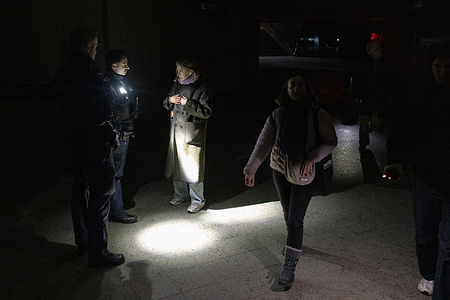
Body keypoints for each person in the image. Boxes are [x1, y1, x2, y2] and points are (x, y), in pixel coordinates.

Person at [243, 72, 337, 289]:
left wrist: (312, 157)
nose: (296, 89)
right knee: (287, 212)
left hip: (305, 171)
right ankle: (294, 242)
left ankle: (289, 267)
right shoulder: (277, 115)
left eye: (300, 85)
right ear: (286, 88)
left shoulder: (317, 114)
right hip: (279, 170)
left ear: (307, 89)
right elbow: (263, 144)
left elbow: (331, 141)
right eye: (292, 85)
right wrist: (251, 168)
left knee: (295, 218)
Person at [53, 26, 125, 267]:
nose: (96, 50)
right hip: (94, 143)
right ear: (87, 46)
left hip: (74, 141)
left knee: (79, 192)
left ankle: (82, 242)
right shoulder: (88, 74)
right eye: (94, 46)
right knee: (101, 195)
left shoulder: (62, 72)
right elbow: (102, 111)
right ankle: (99, 252)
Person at [384, 40, 450, 299]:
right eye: (438, 66)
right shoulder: (421, 97)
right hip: (425, 180)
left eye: (449, 66)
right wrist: (396, 160)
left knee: (448, 246)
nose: (443, 72)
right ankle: (431, 277)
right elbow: (403, 132)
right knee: (424, 236)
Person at [162, 58, 212, 213]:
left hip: (192, 133)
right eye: (177, 70)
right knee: (177, 164)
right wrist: (170, 100)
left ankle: (197, 200)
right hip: (176, 132)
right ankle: (180, 194)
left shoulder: (202, 87)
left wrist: (187, 103)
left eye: (181, 71)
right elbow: (166, 102)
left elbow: (206, 112)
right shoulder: (177, 84)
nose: (178, 74)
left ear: (191, 71)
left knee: (192, 166)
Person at [104, 49, 138, 224]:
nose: (128, 67)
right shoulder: (111, 86)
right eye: (124, 64)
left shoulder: (119, 83)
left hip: (122, 134)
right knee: (115, 174)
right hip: (118, 136)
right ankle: (116, 211)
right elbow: (114, 114)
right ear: (113, 66)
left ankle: (113, 209)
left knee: (115, 173)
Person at [352, 40, 392, 152]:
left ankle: (364, 139)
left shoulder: (383, 64)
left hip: (377, 99)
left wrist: (387, 95)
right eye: (377, 49)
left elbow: (388, 82)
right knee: (364, 124)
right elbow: (356, 80)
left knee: (377, 122)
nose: (380, 51)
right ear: (370, 51)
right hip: (365, 98)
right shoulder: (362, 64)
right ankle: (363, 144)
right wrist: (356, 95)